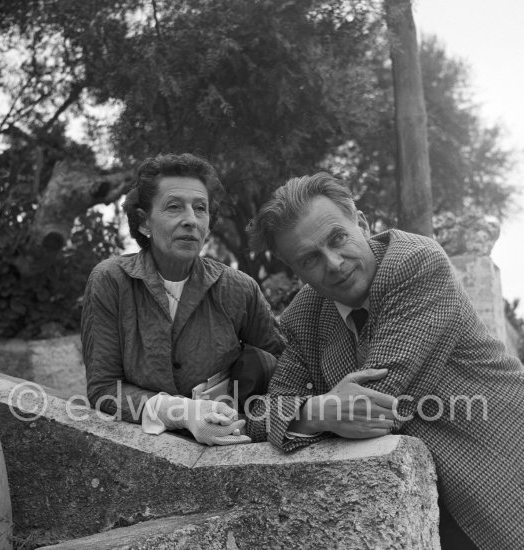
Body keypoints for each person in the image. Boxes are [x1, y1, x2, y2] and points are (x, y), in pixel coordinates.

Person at [245, 172, 524, 550]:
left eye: (338, 238)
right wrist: (320, 412)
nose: (333, 263)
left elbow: (379, 403)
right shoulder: (302, 317)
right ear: (295, 271)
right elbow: (262, 416)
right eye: (310, 258)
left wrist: (314, 407)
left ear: (361, 223)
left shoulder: (417, 264)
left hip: (499, 471)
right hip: (419, 499)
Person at [81, 153, 284, 446]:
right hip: (144, 453)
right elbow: (103, 389)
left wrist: (255, 415)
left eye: (200, 209)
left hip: (229, 446)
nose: (191, 220)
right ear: (143, 222)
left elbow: (286, 359)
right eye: (174, 207)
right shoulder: (110, 281)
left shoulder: (239, 288)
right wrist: (182, 412)